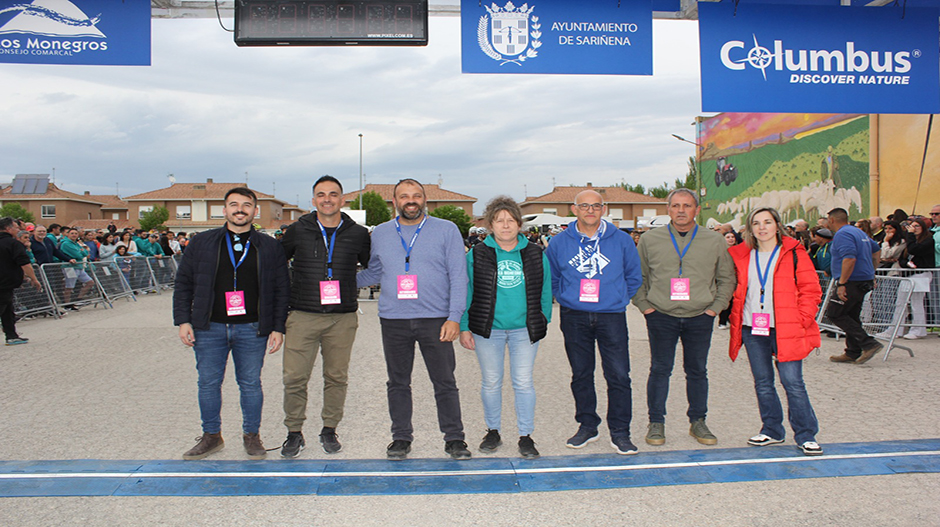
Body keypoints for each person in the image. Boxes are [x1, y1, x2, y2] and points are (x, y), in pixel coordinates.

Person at [356, 178, 471, 461]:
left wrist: (454, 317)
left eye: (416, 195)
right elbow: (374, 273)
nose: (411, 200)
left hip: (436, 319)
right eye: (404, 196)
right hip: (394, 319)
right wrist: (335, 282)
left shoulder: (447, 230)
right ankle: (401, 438)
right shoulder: (381, 233)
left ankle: (455, 438)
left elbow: (458, 276)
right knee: (397, 382)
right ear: (394, 202)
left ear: (424, 200)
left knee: (444, 381)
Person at [173, 187, 290, 461]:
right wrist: (183, 321)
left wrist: (277, 326)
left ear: (255, 211)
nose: (240, 209)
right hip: (208, 326)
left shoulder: (269, 246)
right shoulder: (202, 242)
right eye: (234, 204)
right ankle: (211, 436)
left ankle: (252, 436)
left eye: (246, 205)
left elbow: (282, 288)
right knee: (208, 383)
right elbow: (183, 283)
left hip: (252, 328)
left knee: (250, 384)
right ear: (224, 210)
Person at [633, 188, 735, 447]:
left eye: (687, 206)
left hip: (700, 315)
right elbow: (638, 277)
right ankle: (656, 422)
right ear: (668, 209)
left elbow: (726, 277)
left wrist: (715, 308)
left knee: (697, 371)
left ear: (696, 210)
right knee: (659, 370)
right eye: (676, 205)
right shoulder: (650, 239)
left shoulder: (714, 241)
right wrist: (645, 306)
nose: (681, 210)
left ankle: (698, 421)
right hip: (661, 315)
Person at [279, 175, 371, 457]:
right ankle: (294, 432)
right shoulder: (297, 230)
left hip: (341, 319)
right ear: (313, 200)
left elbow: (373, 267)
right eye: (321, 195)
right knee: (294, 377)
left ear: (342, 200)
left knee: (336, 376)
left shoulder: (358, 233)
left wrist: (349, 284)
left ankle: (329, 428)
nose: (327, 199)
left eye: (333, 194)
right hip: (303, 315)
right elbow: (276, 264)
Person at [545, 190, 643, 454]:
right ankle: (588, 425)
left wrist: (617, 297)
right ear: (574, 209)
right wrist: (565, 297)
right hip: (574, 315)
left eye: (596, 206)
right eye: (584, 206)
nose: (590, 210)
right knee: (581, 374)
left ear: (604, 209)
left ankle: (620, 431)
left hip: (611, 315)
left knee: (619, 375)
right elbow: (552, 277)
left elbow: (634, 275)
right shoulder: (559, 243)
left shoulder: (621, 240)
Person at [459, 196, 552, 459]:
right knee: (491, 382)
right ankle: (493, 430)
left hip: (524, 330)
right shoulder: (477, 254)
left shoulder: (535, 253)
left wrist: (543, 319)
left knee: (523, 383)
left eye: (510, 220)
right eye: (499, 221)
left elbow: (546, 290)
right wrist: (465, 326)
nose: (505, 225)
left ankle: (525, 435)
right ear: (490, 224)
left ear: (519, 224)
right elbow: (467, 291)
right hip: (489, 329)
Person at [728, 208, 824, 456]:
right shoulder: (741, 255)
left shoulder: (794, 253)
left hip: (786, 327)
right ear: (750, 229)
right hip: (753, 327)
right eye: (756, 223)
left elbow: (811, 289)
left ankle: (806, 434)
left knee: (793, 382)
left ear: (777, 225)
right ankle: (772, 429)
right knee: (763, 383)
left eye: (767, 222)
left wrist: (802, 319)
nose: (762, 227)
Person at [826, 207, 883, 364]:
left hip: (851, 280)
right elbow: (876, 249)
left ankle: (868, 343)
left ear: (831, 220)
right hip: (863, 279)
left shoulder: (842, 235)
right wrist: (872, 271)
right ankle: (852, 351)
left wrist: (842, 283)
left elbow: (849, 258)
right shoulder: (858, 232)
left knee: (835, 313)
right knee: (851, 315)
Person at [0, 218, 43, 345]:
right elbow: (25, 263)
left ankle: (11, 335)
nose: (18, 230)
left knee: (8, 310)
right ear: (8, 229)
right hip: (5, 282)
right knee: (3, 306)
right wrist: (34, 279)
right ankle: (11, 335)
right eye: (16, 228)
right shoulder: (13, 244)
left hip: (5, 281)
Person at [897, 218, 935, 339]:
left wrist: (910, 235)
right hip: (909, 274)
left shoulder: (928, 241)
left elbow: (915, 250)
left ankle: (918, 329)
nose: (914, 228)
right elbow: (902, 257)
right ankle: (895, 329)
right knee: (900, 302)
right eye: (912, 226)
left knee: (916, 302)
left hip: (922, 274)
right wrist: (907, 264)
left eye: (917, 226)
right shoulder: (910, 241)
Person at [57, 227, 95, 307]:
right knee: (69, 287)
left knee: (90, 282)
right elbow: (78, 255)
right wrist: (82, 252)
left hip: (79, 266)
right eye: (72, 233)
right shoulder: (66, 244)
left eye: (75, 233)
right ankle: (67, 304)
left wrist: (82, 252)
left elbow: (85, 252)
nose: (74, 235)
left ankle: (78, 299)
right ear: (68, 234)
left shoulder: (76, 243)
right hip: (69, 267)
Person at [718, 230, 742, 329]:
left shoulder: (739, 250)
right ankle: (722, 321)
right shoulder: (720, 251)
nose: (731, 239)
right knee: (726, 299)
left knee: (734, 301)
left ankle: (731, 319)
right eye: (728, 237)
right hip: (725, 279)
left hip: (738, 279)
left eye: (732, 237)